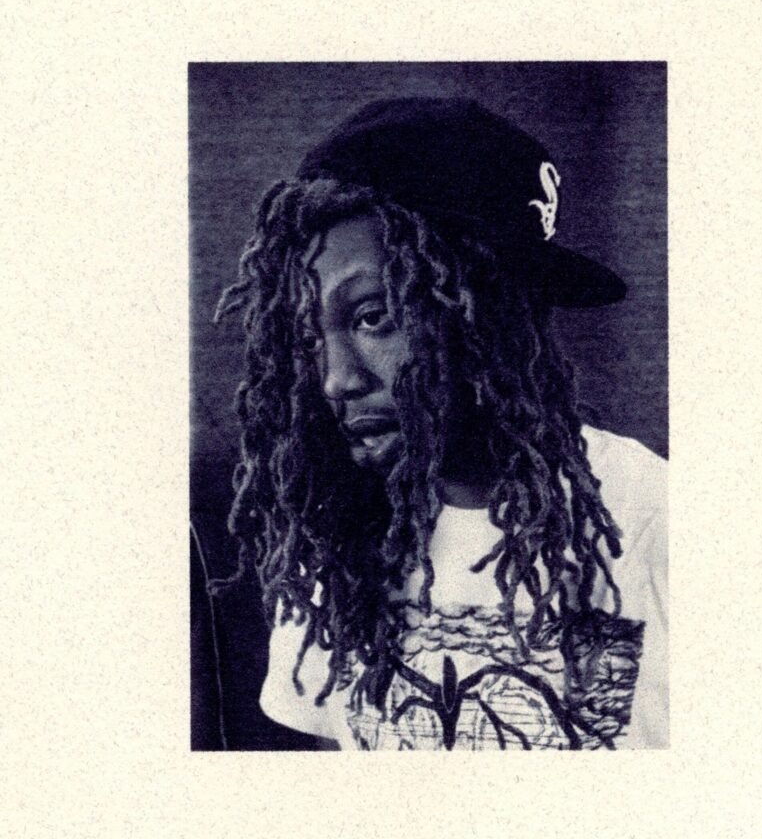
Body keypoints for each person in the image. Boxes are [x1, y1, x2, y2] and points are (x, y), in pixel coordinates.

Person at [215, 96, 668, 751]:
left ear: (489, 315)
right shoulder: (335, 531)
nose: (336, 380)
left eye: (373, 317)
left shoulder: (655, 521)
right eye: (311, 335)